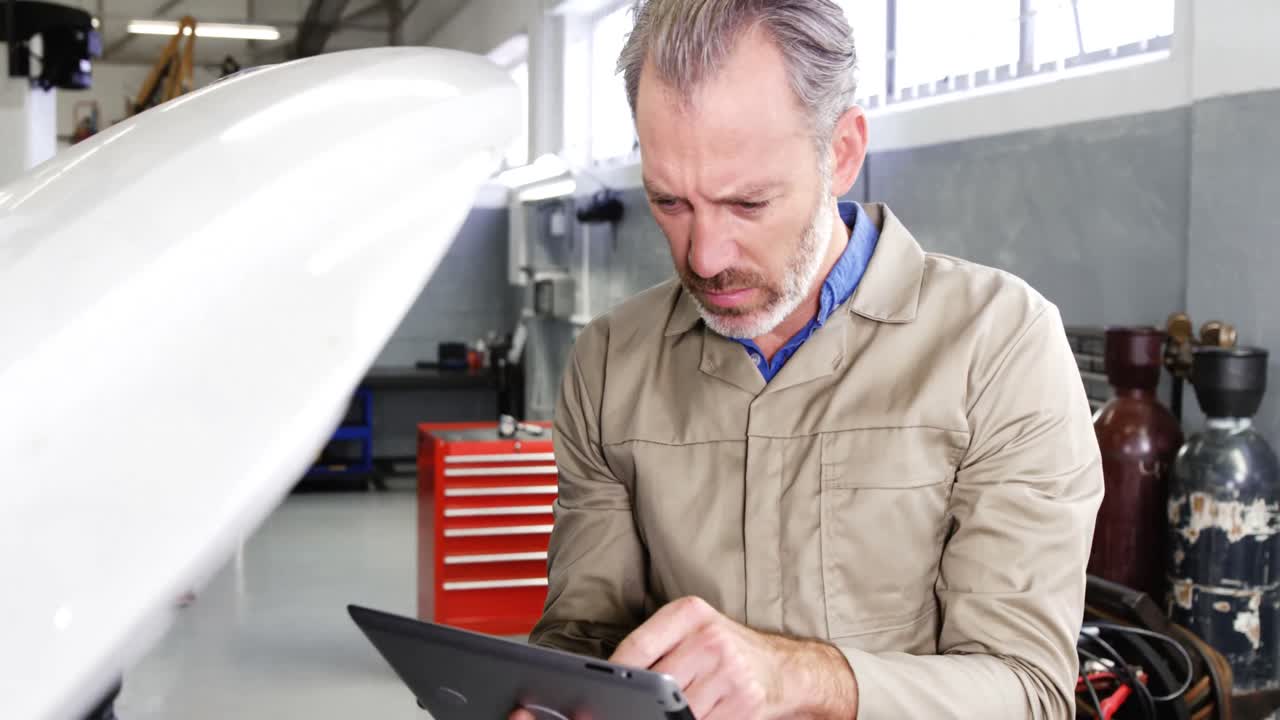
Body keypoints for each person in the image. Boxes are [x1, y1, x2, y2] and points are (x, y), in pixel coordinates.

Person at [514, 1, 1104, 718]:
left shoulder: (999, 344)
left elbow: (1029, 694)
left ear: (844, 152)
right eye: (669, 202)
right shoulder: (609, 363)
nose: (705, 256)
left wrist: (802, 680)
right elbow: (584, 636)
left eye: (749, 202)